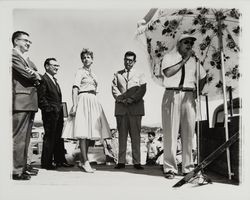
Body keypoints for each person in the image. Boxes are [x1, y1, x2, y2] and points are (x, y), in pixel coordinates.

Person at [161, 33, 207, 179]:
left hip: (188, 95)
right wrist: (184, 60)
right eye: (186, 42)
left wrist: (196, 93)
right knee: (171, 133)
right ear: (179, 43)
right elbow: (168, 73)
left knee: (188, 133)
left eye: (191, 43)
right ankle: (170, 168)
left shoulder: (195, 61)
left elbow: (203, 76)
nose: (189, 45)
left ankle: (188, 168)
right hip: (171, 94)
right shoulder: (169, 57)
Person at [62, 48, 111, 173]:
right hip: (83, 100)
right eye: (83, 57)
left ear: (92, 59)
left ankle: (83, 160)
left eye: (88, 57)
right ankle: (85, 161)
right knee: (83, 132)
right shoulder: (80, 72)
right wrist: (75, 105)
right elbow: (74, 88)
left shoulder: (94, 75)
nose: (85, 59)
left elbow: (96, 90)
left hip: (93, 101)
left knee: (90, 132)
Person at [12, 31, 41, 180]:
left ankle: (22, 168)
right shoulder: (12, 55)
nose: (28, 43)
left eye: (30, 41)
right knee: (19, 138)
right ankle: (15, 170)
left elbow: (38, 75)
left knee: (26, 139)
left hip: (29, 102)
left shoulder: (26, 58)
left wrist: (35, 74)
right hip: (21, 102)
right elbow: (27, 74)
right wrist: (34, 75)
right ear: (16, 41)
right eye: (25, 40)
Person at [111, 51, 146, 170]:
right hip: (121, 109)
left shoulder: (140, 74)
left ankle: (137, 162)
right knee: (122, 136)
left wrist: (131, 99)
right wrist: (122, 99)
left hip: (135, 108)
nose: (128, 62)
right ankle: (121, 161)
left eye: (131, 60)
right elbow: (114, 89)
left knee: (136, 136)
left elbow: (142, 89)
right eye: (126, 59)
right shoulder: (117, 74)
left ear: (134, 62)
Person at [38, 58, 72, 170]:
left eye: (58, 65)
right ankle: (46, 163)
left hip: (58, 113)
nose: (56, 67)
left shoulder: (54, 80)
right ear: (47, 66)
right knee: (50, 137)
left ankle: (60, 161)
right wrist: (49, 110)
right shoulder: (44, 79)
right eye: (54, 65)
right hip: (50, 114)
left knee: (58, 137)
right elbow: (41, 98)